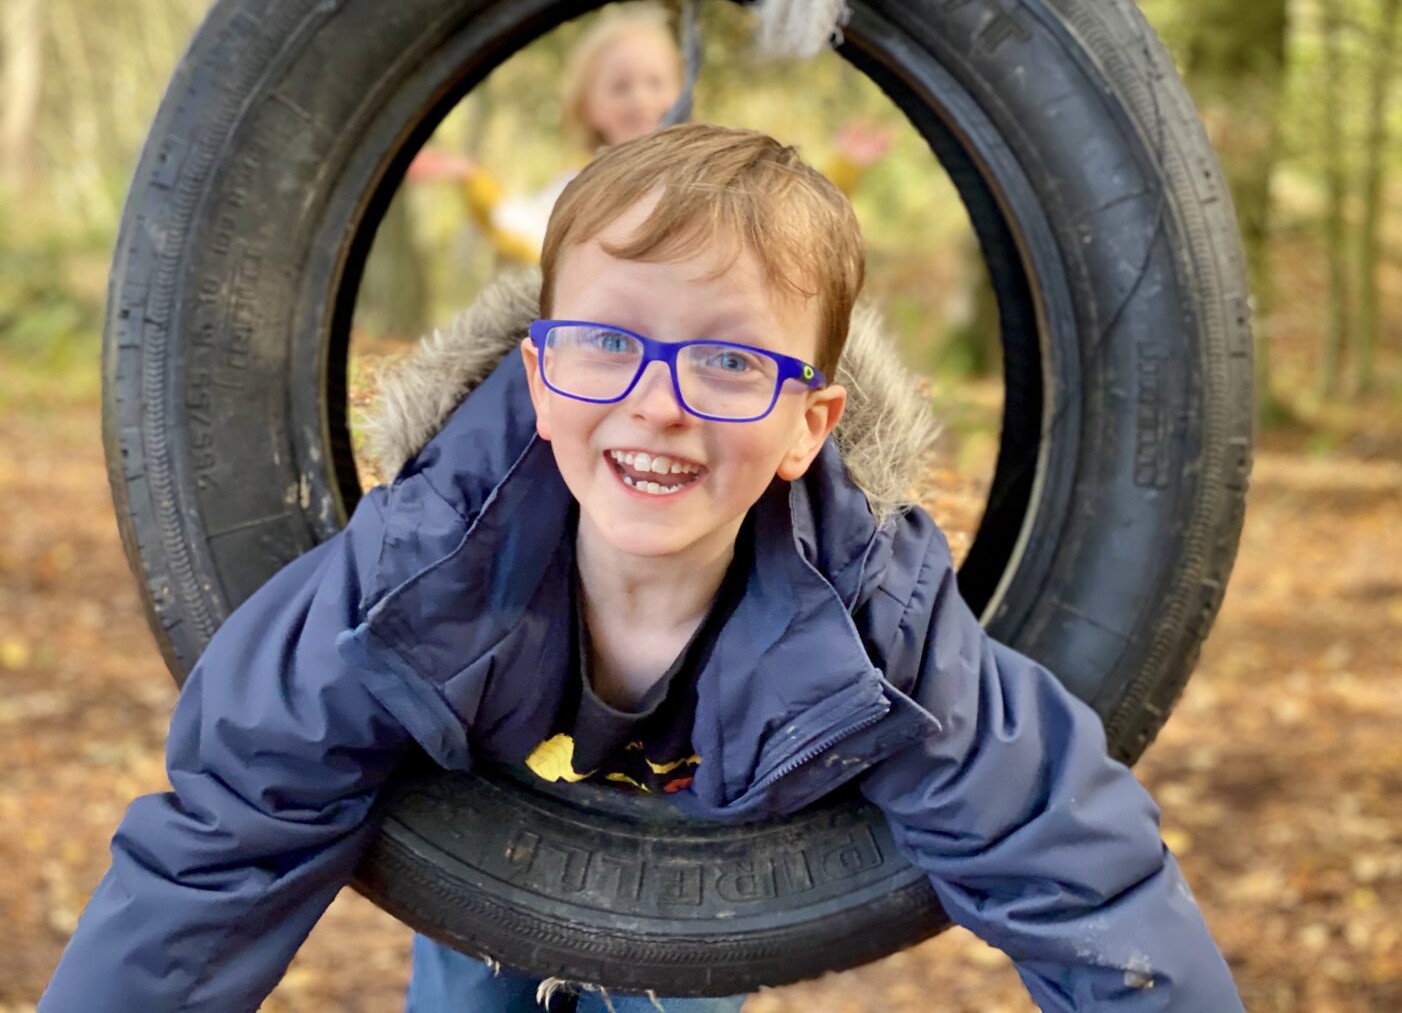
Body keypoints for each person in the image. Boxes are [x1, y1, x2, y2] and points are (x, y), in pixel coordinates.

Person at [40, 124, 1244, 1013]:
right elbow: (237, 823)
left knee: (681, 986)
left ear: (807, 429)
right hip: (482, 841)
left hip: (698, 875)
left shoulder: (867, 622)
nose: (657, 406)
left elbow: (1070, 860)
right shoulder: (417, 573)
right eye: (607, 345)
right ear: (538, 374)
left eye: (729, 366)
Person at [408, 2, 891, 269]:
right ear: (589, 106)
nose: (640, 100)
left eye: (655, 83)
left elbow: (775, 213)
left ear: (679, 91)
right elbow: (524, 231)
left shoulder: (705, 172)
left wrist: (843, 168)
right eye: (620, 87)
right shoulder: (583, 186)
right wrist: (473, 180)